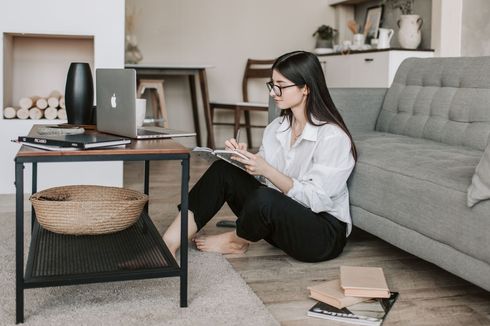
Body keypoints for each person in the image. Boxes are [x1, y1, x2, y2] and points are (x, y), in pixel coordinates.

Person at [163, 50, 357, 262]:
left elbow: (317, 200)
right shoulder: (277, 128)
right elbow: (263, 179)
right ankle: (169, 243)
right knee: (223, 171)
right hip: (282, 220)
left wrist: (267, 170)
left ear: (305, 88)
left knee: (266, 198)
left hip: (321, 235)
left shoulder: (332, 137)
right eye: (272, 84)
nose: (274, 92)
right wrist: (243, 159)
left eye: (281, 86)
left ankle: (236, 240)